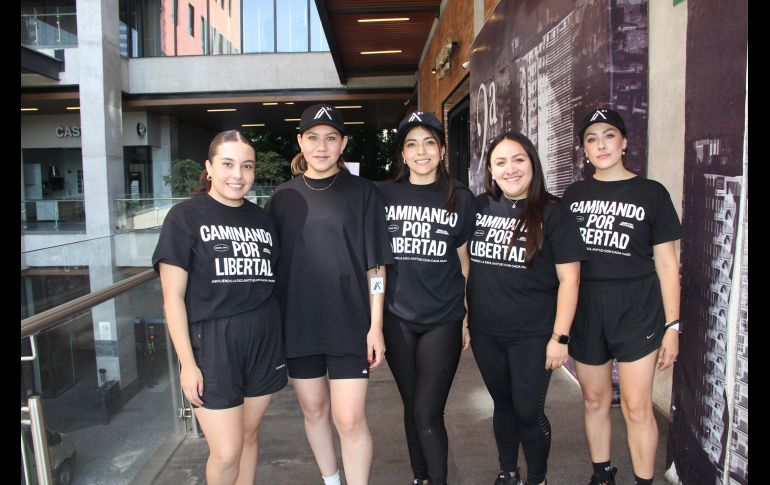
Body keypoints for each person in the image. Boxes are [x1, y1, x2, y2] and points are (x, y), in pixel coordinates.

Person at [266, 104, 394, 485]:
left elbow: (376, 268)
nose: (321, 146)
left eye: (331, 138)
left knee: (350, 418)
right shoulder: (281, 199)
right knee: (314, 409)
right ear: (300, 142)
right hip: (298, 325)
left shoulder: (363, 193)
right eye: (313, 137)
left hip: (350, 325)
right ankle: (331, 480)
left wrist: (375, 325)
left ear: (343, 144)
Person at [152, 130, 287, 485]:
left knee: (249, 436)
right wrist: (187, 364)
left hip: (263, 336)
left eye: (246, 166)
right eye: (227, 164)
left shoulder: (263, 219)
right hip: (213, 341)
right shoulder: (184, 217)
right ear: (209, 167)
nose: (237, 175)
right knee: (226, 452)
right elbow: (172, 298)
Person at [562, 108, 682, 485]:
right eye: (592, 139)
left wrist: (673, 326)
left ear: (625, 141)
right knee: (595, 401)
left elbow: (666, 265)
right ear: (583, 149)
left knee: (636, 406)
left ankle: (644, 480)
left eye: (609, 135)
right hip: (587, 308)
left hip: (637, 308)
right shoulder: (574, 194)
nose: (601, 145)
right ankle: (602, 474)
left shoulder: (651, 193)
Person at [467, 132, 586, 485]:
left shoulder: (554, 212)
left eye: (518, 159)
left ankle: (537, 478)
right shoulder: (479, 207)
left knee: (527, 410)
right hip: (486, 332)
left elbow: (570, 280)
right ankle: (508, 472)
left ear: (532, 162)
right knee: (502, 405)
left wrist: (560, 337)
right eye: (500, 162)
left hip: (534, 335)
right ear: (490, 169)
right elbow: (462, 266)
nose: (510, 169)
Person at [377, 112, 477, 485]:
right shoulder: (383, 195)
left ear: (442, 149)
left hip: (444, 317)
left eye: (429, 143)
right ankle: (420, 476)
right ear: (402, 153)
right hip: (396, 317)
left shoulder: (461, 197)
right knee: (412, 405)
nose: (421, 152)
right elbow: (374, 262)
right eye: (412, 144)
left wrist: (466, 316)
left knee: (427, 410)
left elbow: (465, 262)